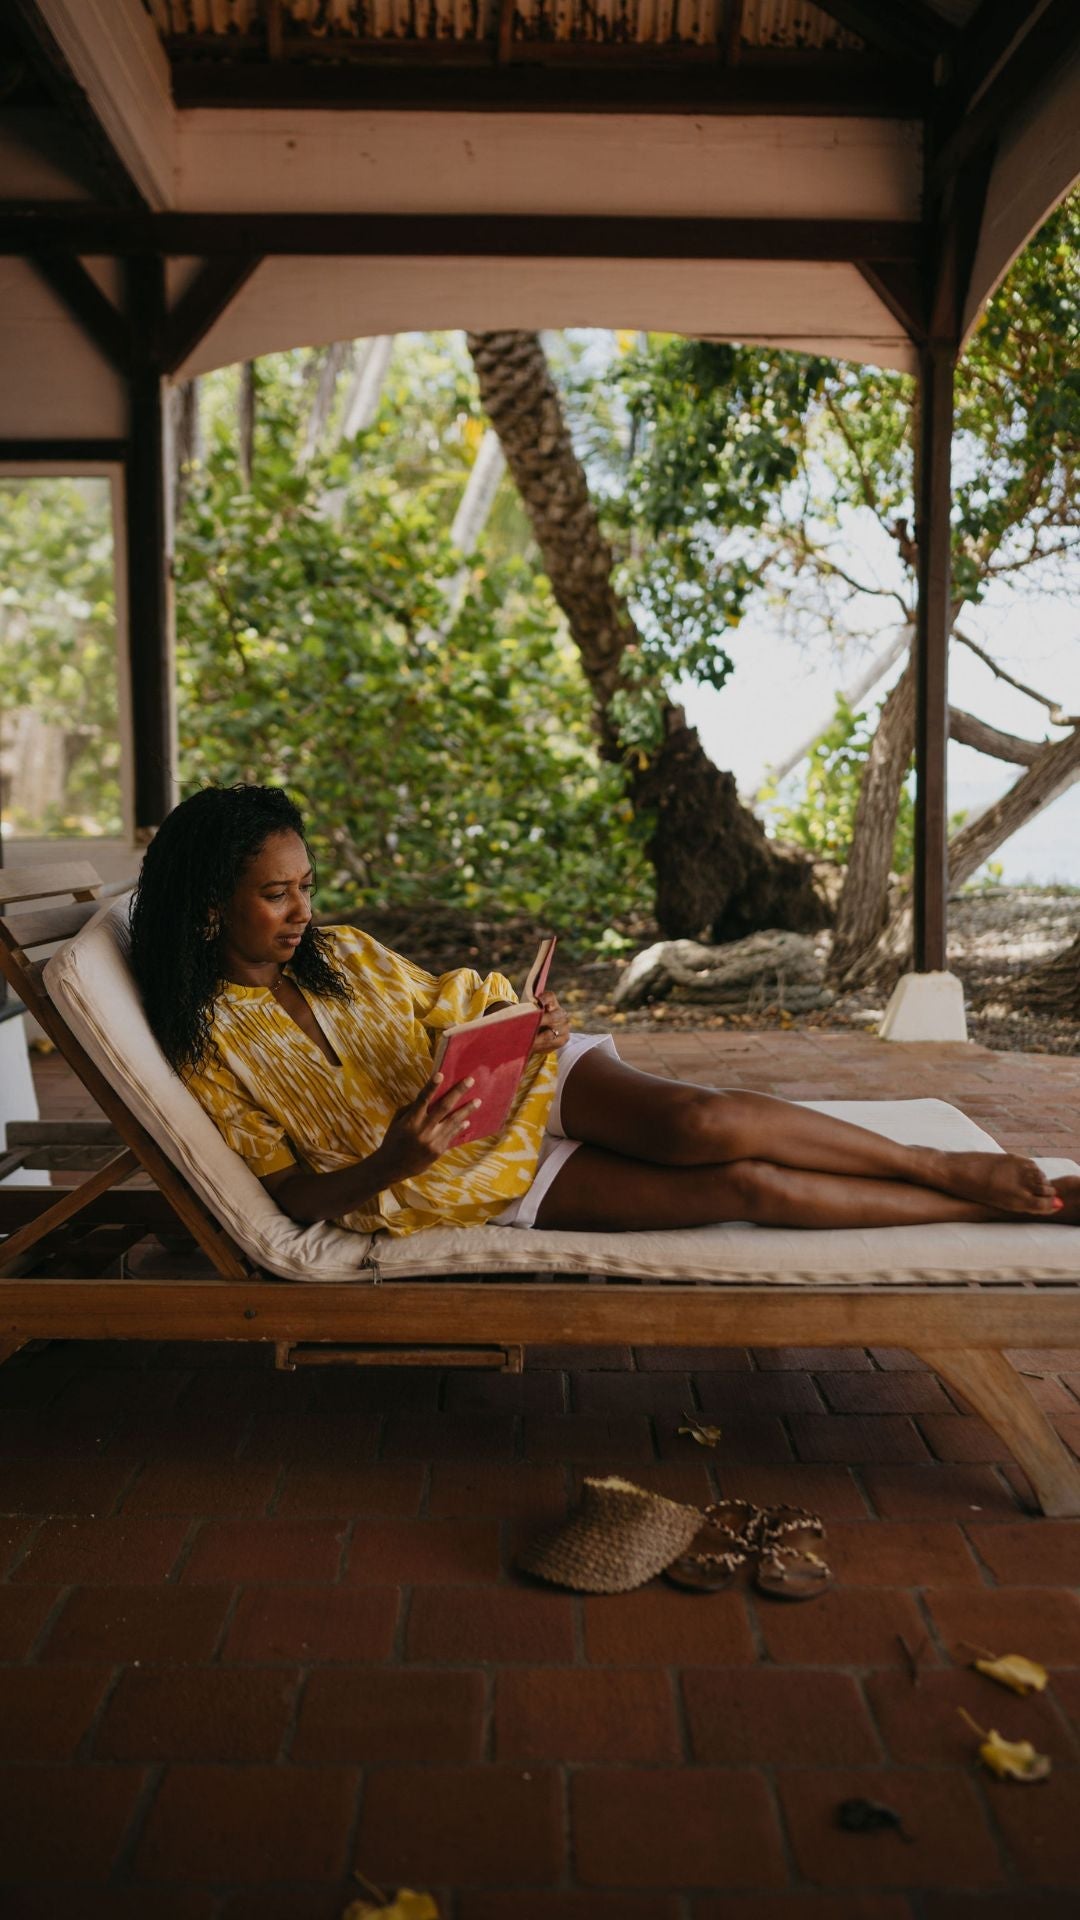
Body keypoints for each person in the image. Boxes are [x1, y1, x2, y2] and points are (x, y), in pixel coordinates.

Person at [130, 784, 1079, 1239]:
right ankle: (982, 1204)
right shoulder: (208, 1044)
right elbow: (284, 1195)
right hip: (454, 1177)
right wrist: (395, 1159)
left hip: (524, 1082)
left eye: (305, 885)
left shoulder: (342, 953)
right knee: (743, 1187)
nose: (304, 911)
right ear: (211, 906)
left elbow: (447, 1006)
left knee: (704, 1120)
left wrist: (522, 1024)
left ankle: (944, 1164)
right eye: (276, 895)